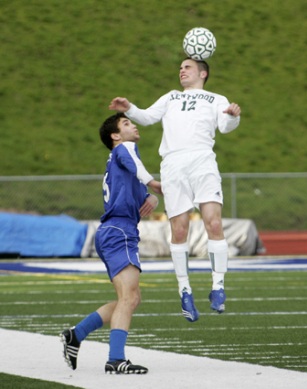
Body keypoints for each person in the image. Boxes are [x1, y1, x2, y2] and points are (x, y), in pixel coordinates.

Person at [109, 58, 241, 323]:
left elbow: (225, 128)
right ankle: (185, 290)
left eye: (188, 67)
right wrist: (130, 108)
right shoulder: (170, 97)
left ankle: (218, 287)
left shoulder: (216, 98)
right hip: (173, 164)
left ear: (202, 73)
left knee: (213, 222)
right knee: (179, 230)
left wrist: (233, 116)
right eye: (180, 67)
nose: (182, 70)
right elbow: (147, 117)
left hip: (203, 160)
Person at [60, 112, 161, 374]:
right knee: (129, 297)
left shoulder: (120, 161)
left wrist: (151, 195)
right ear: (115, 136)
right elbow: (133, 164)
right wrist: (152, 182)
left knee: (131, 298)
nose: (133, 125)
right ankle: (115, 359)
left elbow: (134, 187)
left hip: (115, 230)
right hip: (119, 230)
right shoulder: (124, 150)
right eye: (126, 123)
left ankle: (76, 334)